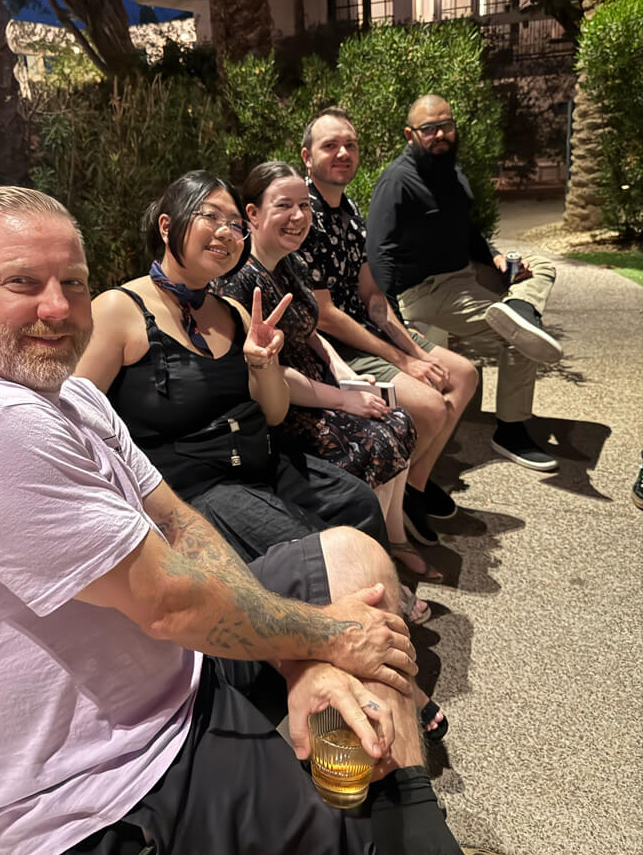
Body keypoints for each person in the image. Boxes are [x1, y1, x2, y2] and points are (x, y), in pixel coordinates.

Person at [0, 185, 513, 855]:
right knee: (333, 849)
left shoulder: (73, 396)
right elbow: (169, 598)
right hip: (111, 784)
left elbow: (178, 522)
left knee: (353, 554)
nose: (57, 307)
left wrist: (300, 656)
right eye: (23, 283)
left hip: (178, 672)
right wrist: (324, 638)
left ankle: (417, 840)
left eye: (73, 282)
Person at [75, 170, 391, 564]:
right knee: (325, 555)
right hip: (197, 490)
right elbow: (74, 420)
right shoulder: (120, 310)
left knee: (358, 504)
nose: (226, 233)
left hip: (264, 465)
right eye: (210, 216)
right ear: (167, 225)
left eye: (236, 226)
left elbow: (273, 414)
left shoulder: (237, 314)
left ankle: (379, 606)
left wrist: (264, 364)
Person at [218, 163, 439, 589]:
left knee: (397, 421)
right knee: (371, 440)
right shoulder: (241, 282)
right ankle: (369, 571)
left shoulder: (291, 263)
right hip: (284, 403)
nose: (299, 216)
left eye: (304, 205)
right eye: (284, 206)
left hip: (319, 384)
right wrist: (342, 399)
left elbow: (311, 329)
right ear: (252, 214)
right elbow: (270, 369)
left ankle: (393, 540)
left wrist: (345, 373)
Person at [298, 108, 479, 548]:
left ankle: (412, 488)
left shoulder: (351, 211)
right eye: (330, 145)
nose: (343, 152)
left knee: (463, 375)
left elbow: (373, 298)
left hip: (365, 329)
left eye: (351, 145)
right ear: (307, 157)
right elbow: (324, 315)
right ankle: (396, 500)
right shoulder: (304, 216)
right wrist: (401, 360)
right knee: (432, 406)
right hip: (334, 345)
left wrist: (417, 353)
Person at [367, 95, 562, 473]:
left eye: (446, 125)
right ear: (410, 135)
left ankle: (520, 310)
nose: (440, 134)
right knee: (518, 338)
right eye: (429, 129)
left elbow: (466, 228)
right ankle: (511, 430)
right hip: (426, 291)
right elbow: (380, 253)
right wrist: (390, 322)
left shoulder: (450, 171)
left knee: (539, 266)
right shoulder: (397, 182)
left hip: (466, 275)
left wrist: (495, 258)